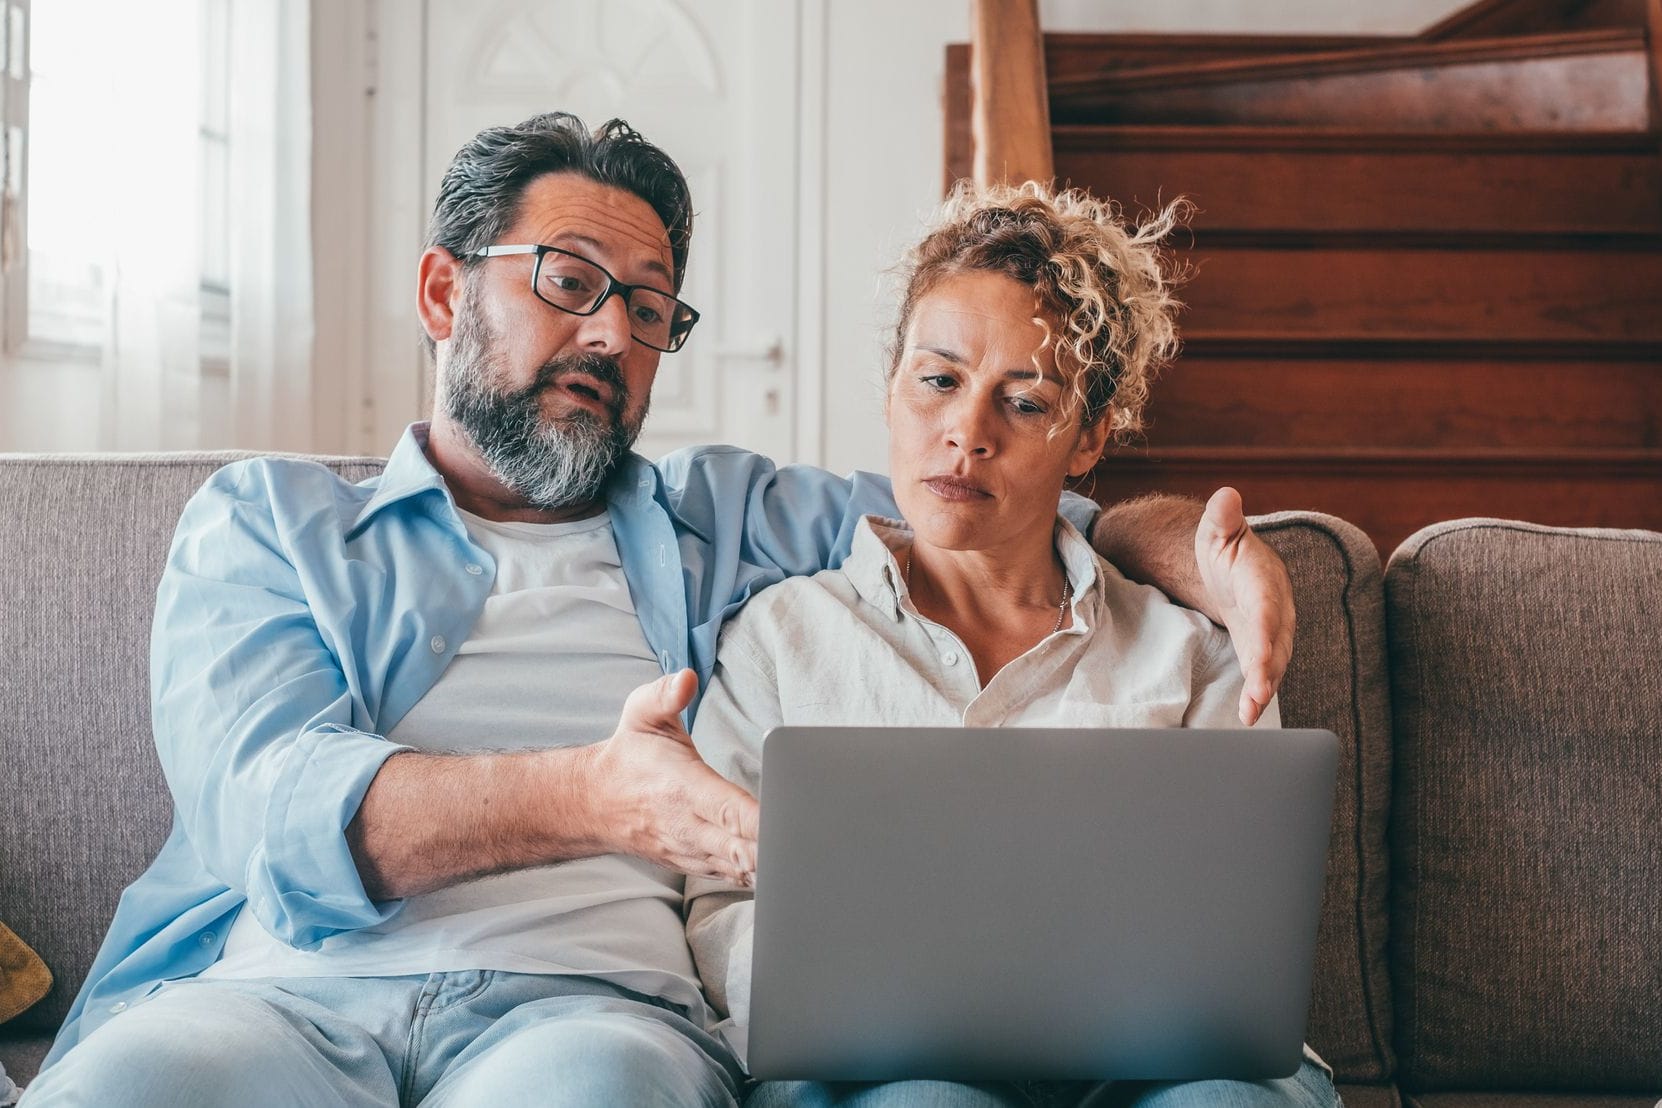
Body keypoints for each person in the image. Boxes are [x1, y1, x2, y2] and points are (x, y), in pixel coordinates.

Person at [24, 115, 1294, 1108]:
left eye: (646, 307)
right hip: (275, 995)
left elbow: (995, 497)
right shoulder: (271, 522)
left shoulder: (723, 513)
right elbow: (272, 809)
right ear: (439, 294)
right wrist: (599, 796)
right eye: (569, 282)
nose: (610, 335)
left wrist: (1205, 549)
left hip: (587, 1010)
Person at [686, 181, 1338, 1107]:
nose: (967, 433)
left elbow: (1238, 932)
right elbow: (719, 914)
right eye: (939, 380)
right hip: (878, 1071)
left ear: (1089, 438)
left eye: (1026, 403)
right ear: (892, 392)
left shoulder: (1191, 653)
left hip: (1151, 1072)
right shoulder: (782, 639)